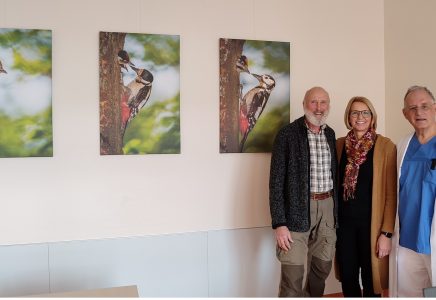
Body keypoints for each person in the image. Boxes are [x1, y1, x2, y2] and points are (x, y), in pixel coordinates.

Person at [269, 86, 338, 297]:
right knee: (292, 276)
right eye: (313, 102)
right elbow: (276, 182)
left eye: (323, 102)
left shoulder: (330, 134)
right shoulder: (287, 134)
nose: (319, 108)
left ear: (328, 105)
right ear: (304, 105)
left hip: (327, 209)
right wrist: (279, 223)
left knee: (321, 270)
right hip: (296, 213)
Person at [335, 97, 397, 297]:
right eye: (355, 112)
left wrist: (386, 233)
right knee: (348, 276)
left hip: (373, 226)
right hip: (344, 225)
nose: (360, 117)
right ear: (348, 117)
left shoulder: (386, 146)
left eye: (365, 112)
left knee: (372, 279)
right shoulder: (338, 145)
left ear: (372, 117)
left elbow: (391, 194)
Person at [389, 85, 436, 297]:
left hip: (432, 238)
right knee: (409, 294)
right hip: (406, 239)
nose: (419, 112)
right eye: (413, 108)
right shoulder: (402, 146)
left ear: (435, 108)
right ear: (405, 114)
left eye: (425, 106)